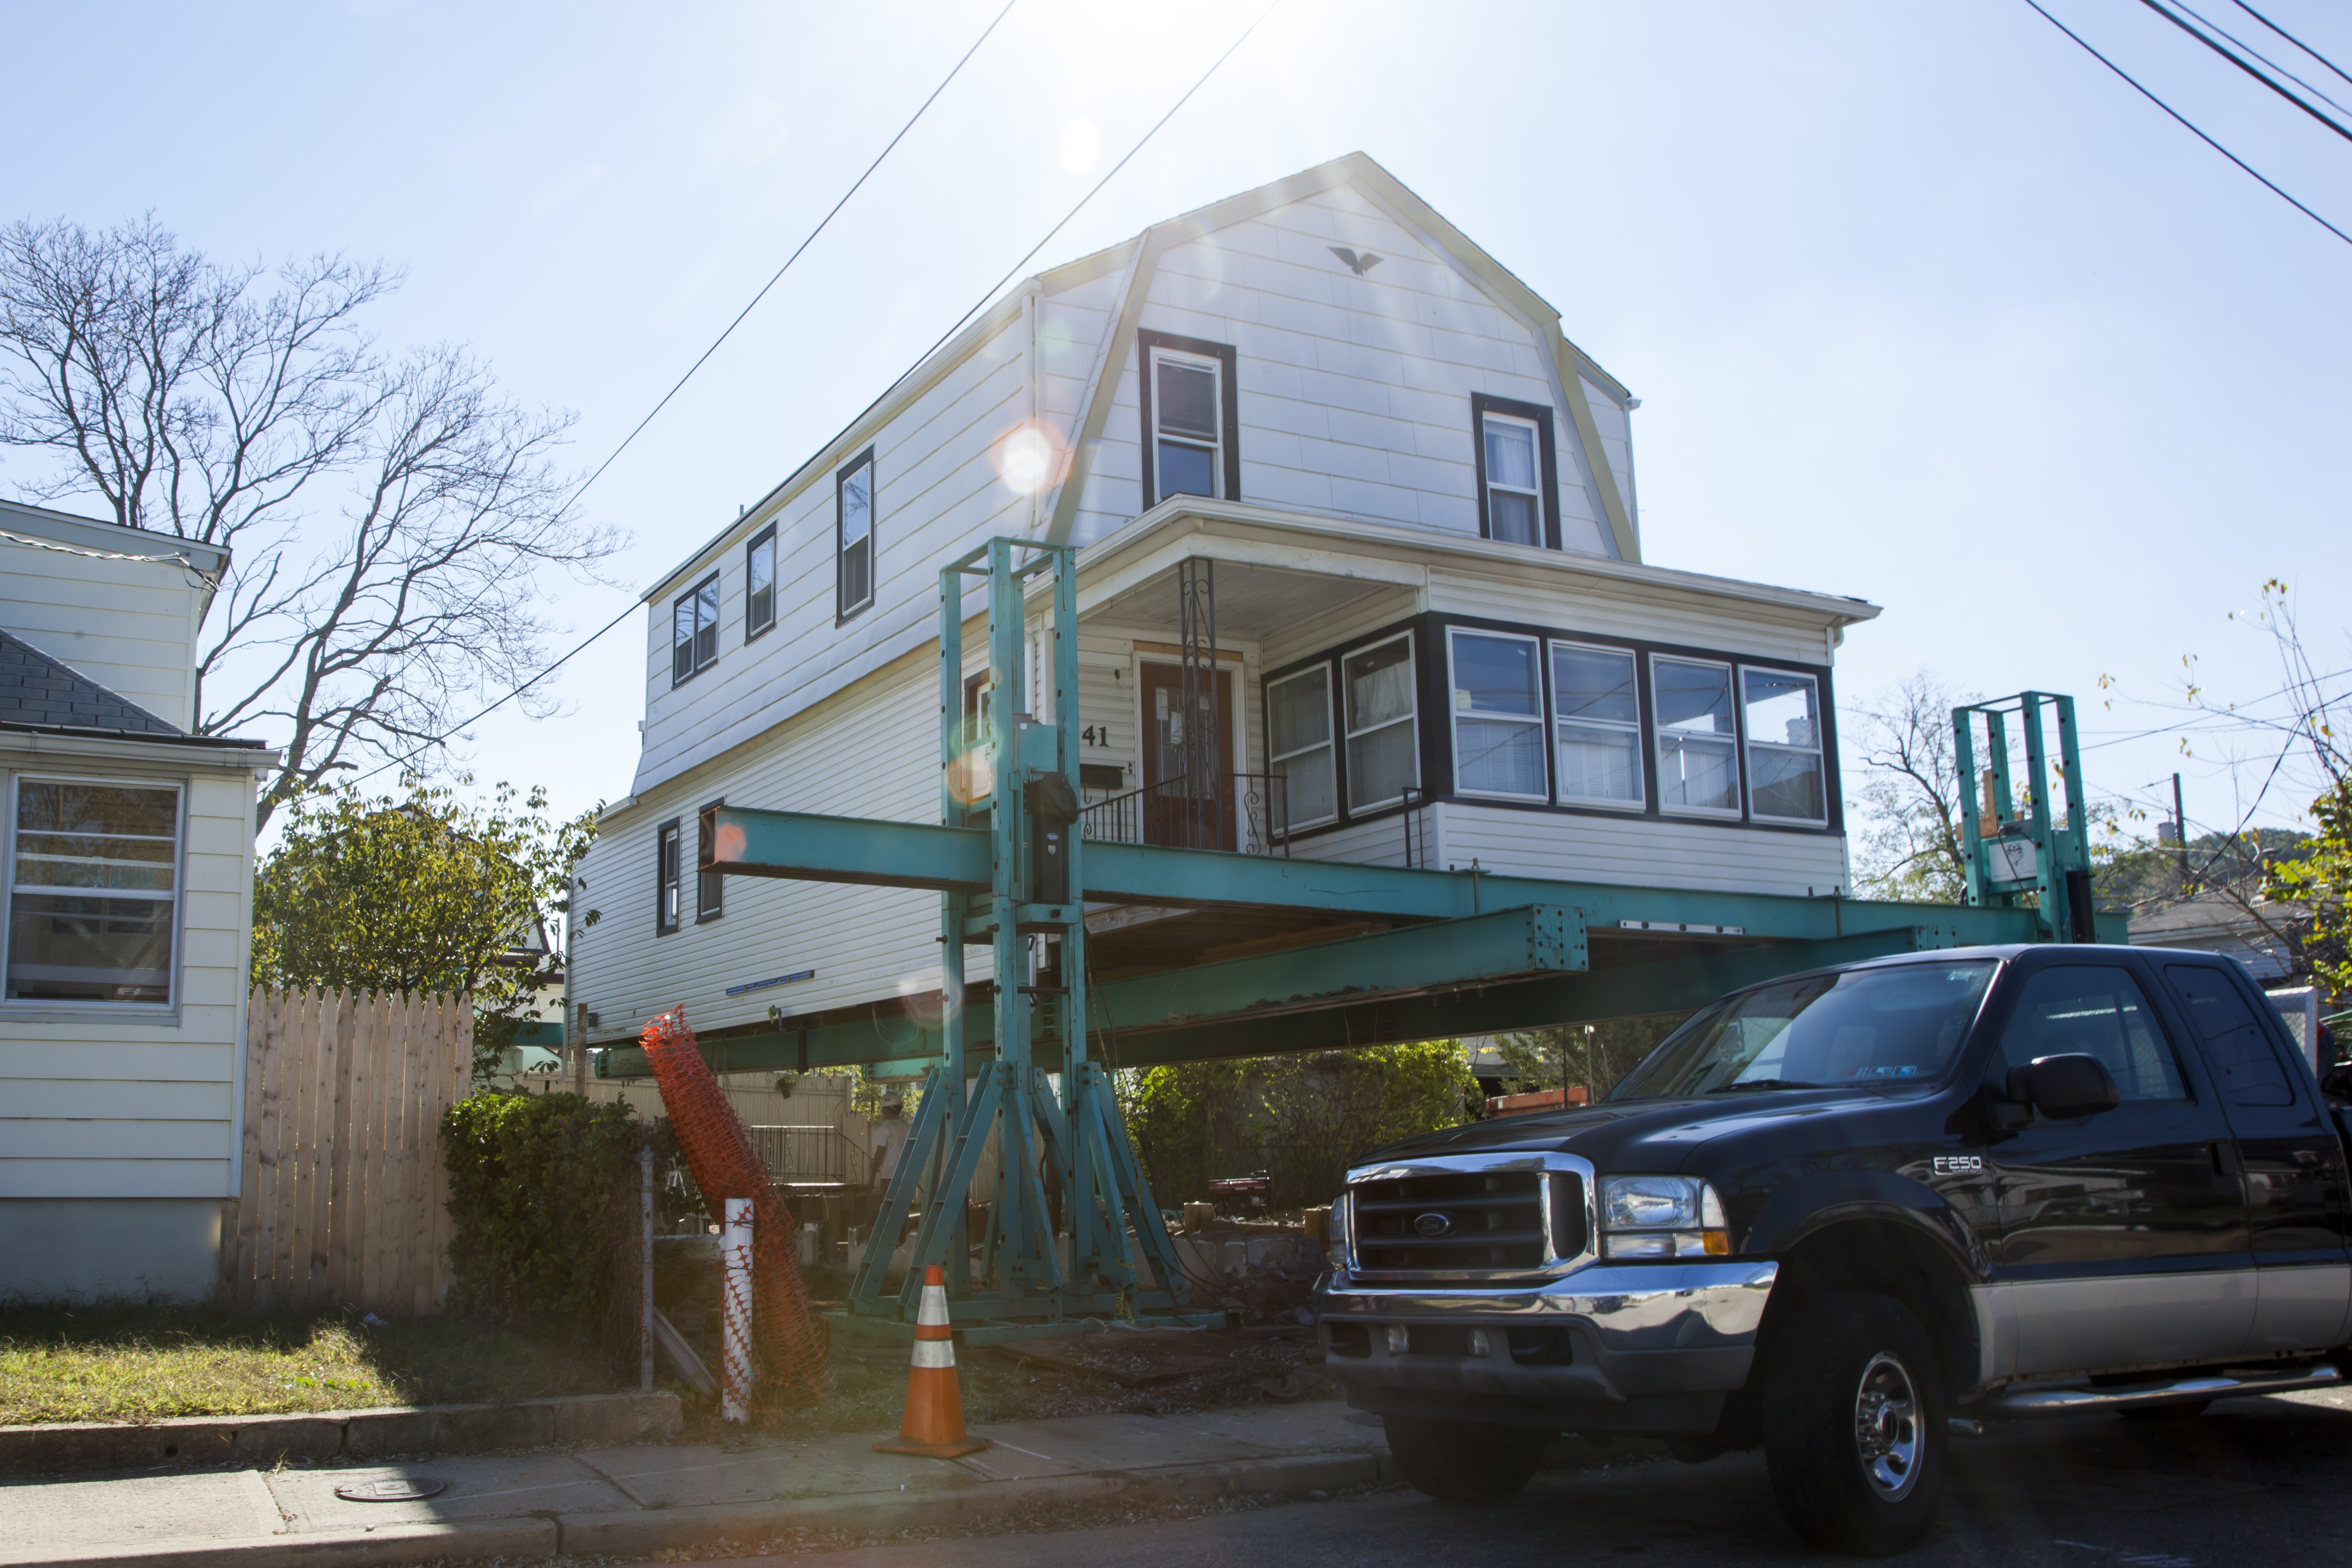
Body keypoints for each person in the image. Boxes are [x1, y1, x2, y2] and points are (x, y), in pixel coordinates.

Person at [869, 1091, 908, 1187]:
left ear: (889, 1109)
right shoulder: (908, 1128)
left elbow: (879, 1155)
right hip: (906, 1176)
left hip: (889, 1176)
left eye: (883, 1109)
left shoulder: (885, 1129)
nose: (882, 1112)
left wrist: (872, 1176)